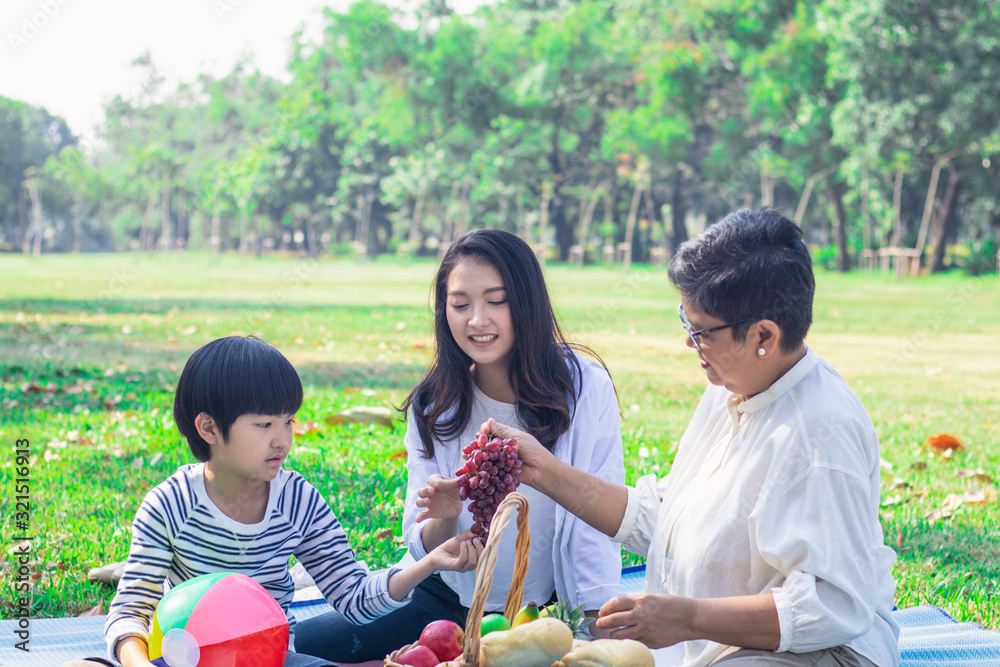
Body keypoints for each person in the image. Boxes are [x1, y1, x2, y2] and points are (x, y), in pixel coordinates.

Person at [478, 208, 900, 667]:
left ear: (764, 335)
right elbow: (666, 517)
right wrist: (542, 469)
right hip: (725, 647)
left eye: (700, 331)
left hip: (824, 652)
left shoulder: (819, 434)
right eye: (686, 321)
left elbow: (830, 606)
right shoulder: (733, 388)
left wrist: (687, 619)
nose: (688, 342)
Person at [295, 229, 625, 663]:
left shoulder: (582, 388)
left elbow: (592, 522)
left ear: (526, 303)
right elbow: (424, 543)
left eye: (496, 300)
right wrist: (445, 516)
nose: (477, 320)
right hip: (443, 604)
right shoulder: (435, 403)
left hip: (538, 614)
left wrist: (596, 627)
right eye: (460, 304)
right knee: (299, 646)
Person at [63, 336, 481, 667]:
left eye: (289, 421)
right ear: (208, 427)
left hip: (273, 659)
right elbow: (129, 612)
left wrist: (428, 562)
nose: (282, 439)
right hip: (181, 658)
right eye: (264, 424)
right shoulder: (169, 504)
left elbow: (353, 597)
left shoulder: (297, 500)